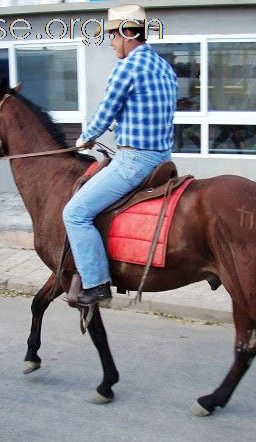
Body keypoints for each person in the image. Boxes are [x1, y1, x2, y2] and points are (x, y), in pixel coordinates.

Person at [62, 4, 178, 307]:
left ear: (128, 33)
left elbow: (106, 109)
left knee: (74, 214)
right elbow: (145, 110)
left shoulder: (128, 67)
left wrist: (86, 137)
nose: (111, 42)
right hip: (162, 159)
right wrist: (118, 126)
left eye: (113, 35)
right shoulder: (163, 66)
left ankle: (97, 284)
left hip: (134, 161)